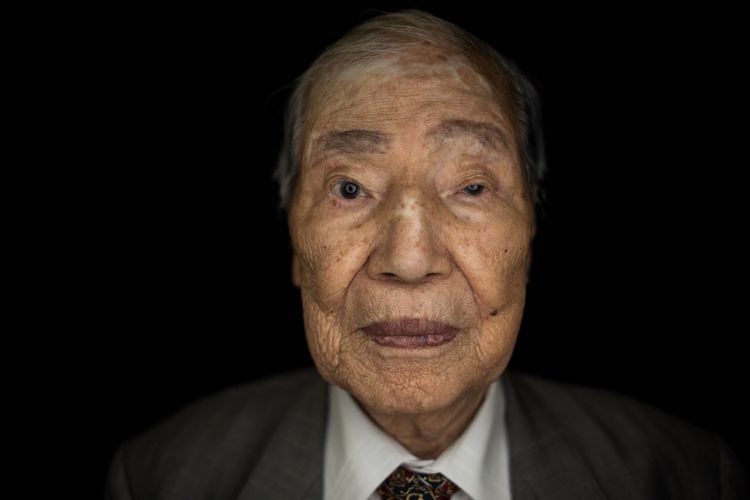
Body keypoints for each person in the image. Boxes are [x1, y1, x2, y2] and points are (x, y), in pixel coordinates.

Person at [105, 9, 747, 500]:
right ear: (296, 246)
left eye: (471, 187)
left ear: (527, 238)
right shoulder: (160, 476)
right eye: (350, 188)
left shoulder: (686, 475)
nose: (409, 259)